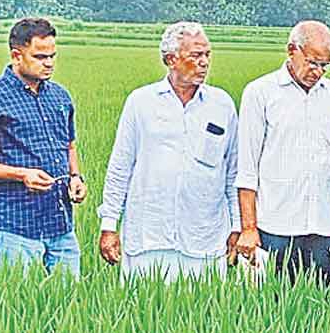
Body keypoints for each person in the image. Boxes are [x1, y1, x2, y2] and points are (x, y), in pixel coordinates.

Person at [96, 22, 239, 282]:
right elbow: (120, 167)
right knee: (144, 314)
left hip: (205, 237)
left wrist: (238, 226)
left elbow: (233, 172)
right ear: (171, 59)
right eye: (196, 55)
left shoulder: (222, 104)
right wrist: (109, 225)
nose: (204, 62)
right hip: (149, 236)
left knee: (204, 316)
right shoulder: (141, 102)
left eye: (207, 54)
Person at [0, 18, 87, 276]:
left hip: (60, 220)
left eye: (52, 55)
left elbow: (69, 145)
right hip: (15, 222)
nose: (49, 62)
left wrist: (76, 177)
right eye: (40, 56)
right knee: (21, 302)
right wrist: (22, 174)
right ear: (17, 56)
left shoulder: (60, 96)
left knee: (70, 303)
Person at [233, 20, 330, 284]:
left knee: (323, 308)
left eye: (325, 65)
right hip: (275, 226)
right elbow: (247, 169)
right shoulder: (260, 93)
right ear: (291, 50)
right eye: (312, 62)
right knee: (271, 308)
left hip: (323, 225)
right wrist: (248, 228)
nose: (318, 72)